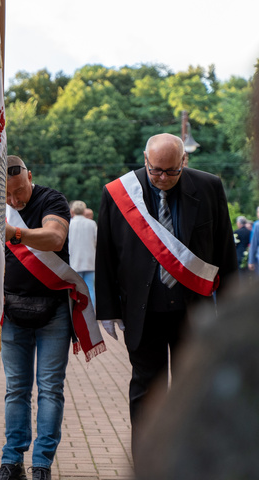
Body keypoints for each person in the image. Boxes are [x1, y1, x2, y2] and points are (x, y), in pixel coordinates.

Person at [95, 133, 237, 461]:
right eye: (155, 170)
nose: (162, 179)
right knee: (147, 389)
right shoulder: (118, 193)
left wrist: (232, 306)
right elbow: (106, 255)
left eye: (171, 172)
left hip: (193, 310)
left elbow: (225, 249)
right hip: (143, 311)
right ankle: (147, 464)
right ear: (145, 160)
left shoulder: (208, 187)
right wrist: (108, 309)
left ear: (183, 163)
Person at [0, 156, 72, 480]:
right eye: (7, 196)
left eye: (19, 191)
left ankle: (42, 465)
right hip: (10, 309)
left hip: (53, 309)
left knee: (50, 388)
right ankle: (12, 462)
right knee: (16, 391)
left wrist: (16, 233)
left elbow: (55, 238)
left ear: (30, 177)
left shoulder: (52, 199)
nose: (14, 200)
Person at [68, 200, 97, 304]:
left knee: (76, 289)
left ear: (72, 211)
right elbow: (96, 241)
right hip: (89, 260)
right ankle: (91, 313)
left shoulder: (69, 224)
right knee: (90, 288)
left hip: (75, 260)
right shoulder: (92, 223)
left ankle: (79, 314)